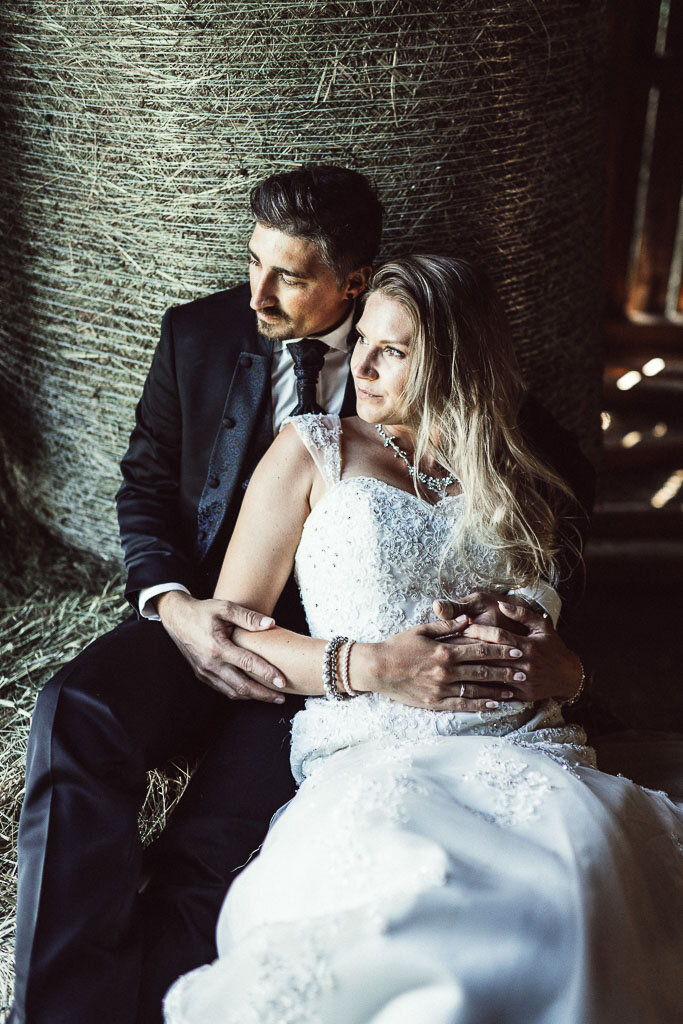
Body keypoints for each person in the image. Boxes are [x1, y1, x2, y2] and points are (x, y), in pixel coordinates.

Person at [11, 167, 590, 1024]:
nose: (259, 292)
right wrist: (173, 603)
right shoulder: (201, 336)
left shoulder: (424, 346)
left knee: (217, 851)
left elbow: (538, 510)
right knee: (75, 707)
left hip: (349, 653)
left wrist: (532, 645)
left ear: (351, 283)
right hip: (217, 607)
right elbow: (141, 488)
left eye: (288, 275)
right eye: (253, 262)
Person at [163, 256, 683, 1024]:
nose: (361, 365)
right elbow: (232, 640)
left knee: (578, 893)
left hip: (528, 754)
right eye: (362, 339)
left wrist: (566, 673)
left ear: (455, 361)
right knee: (417, 907)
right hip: (380, 756)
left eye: (393, 350)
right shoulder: (313, 449)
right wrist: (369, 666)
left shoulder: (522, 476)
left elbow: (555, 648)